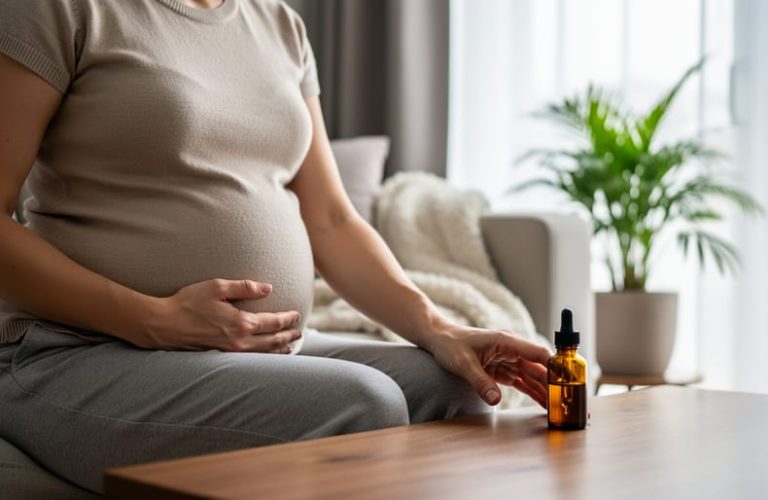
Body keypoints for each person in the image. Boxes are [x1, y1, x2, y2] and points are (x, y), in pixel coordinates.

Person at [0, 0, 550, 493]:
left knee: (458, 388)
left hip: (265, 349)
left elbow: (332, 220)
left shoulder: (279, 24)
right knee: (365, 405)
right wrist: (154, 319)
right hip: (80, 353)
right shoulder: (59, 9)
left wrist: (442, 329)